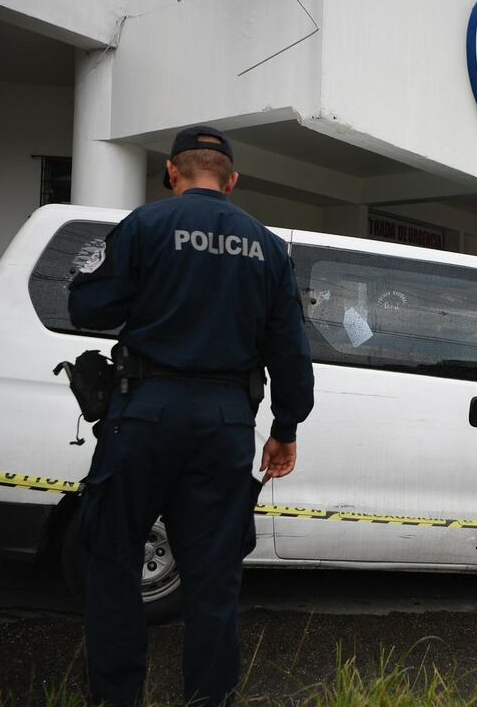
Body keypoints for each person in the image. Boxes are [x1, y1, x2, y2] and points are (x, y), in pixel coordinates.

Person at [67, 126, 314, 707]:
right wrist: (285, 429)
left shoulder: (143, 226)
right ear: (231, 181)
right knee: (214, 572)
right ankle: (209, 697)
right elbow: (291, 353)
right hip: (226, 420)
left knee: (114, 559)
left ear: (172, 174)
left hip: (143, 412)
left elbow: (87, 305)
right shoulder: (269, 247)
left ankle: (116, 697)